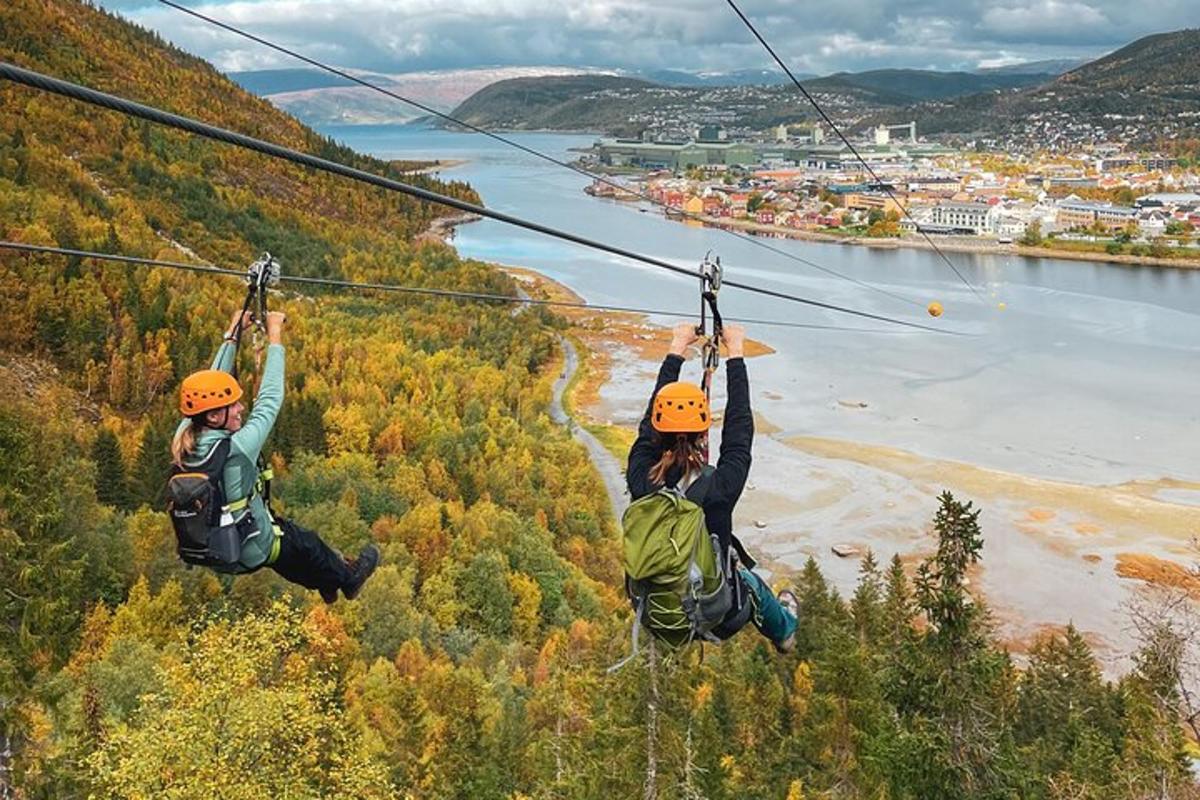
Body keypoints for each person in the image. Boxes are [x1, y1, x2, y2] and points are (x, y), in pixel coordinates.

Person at [172, 307, 378, 602]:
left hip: (217, 545)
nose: (241, 409)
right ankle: (348, 580)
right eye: (234, 406)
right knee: (304, 544)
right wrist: (275, 336)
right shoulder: (237, 448)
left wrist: (233, 333)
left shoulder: (185, 437)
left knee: (296, 551)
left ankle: (327, 582)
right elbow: (270, 399)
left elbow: (212, 380)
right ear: (215, 416)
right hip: (249, 546)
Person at [627, 322, 797, 652]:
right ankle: (785, 631)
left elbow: (649, 424)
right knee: (749, 581)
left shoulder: (641, 476)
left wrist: (677, 348)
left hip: (650, 608)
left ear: (658, 432)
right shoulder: (717, 487)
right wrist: (735, 353)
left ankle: (782, 629)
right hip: (718, 612)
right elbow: (739, 433)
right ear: (704, 429)